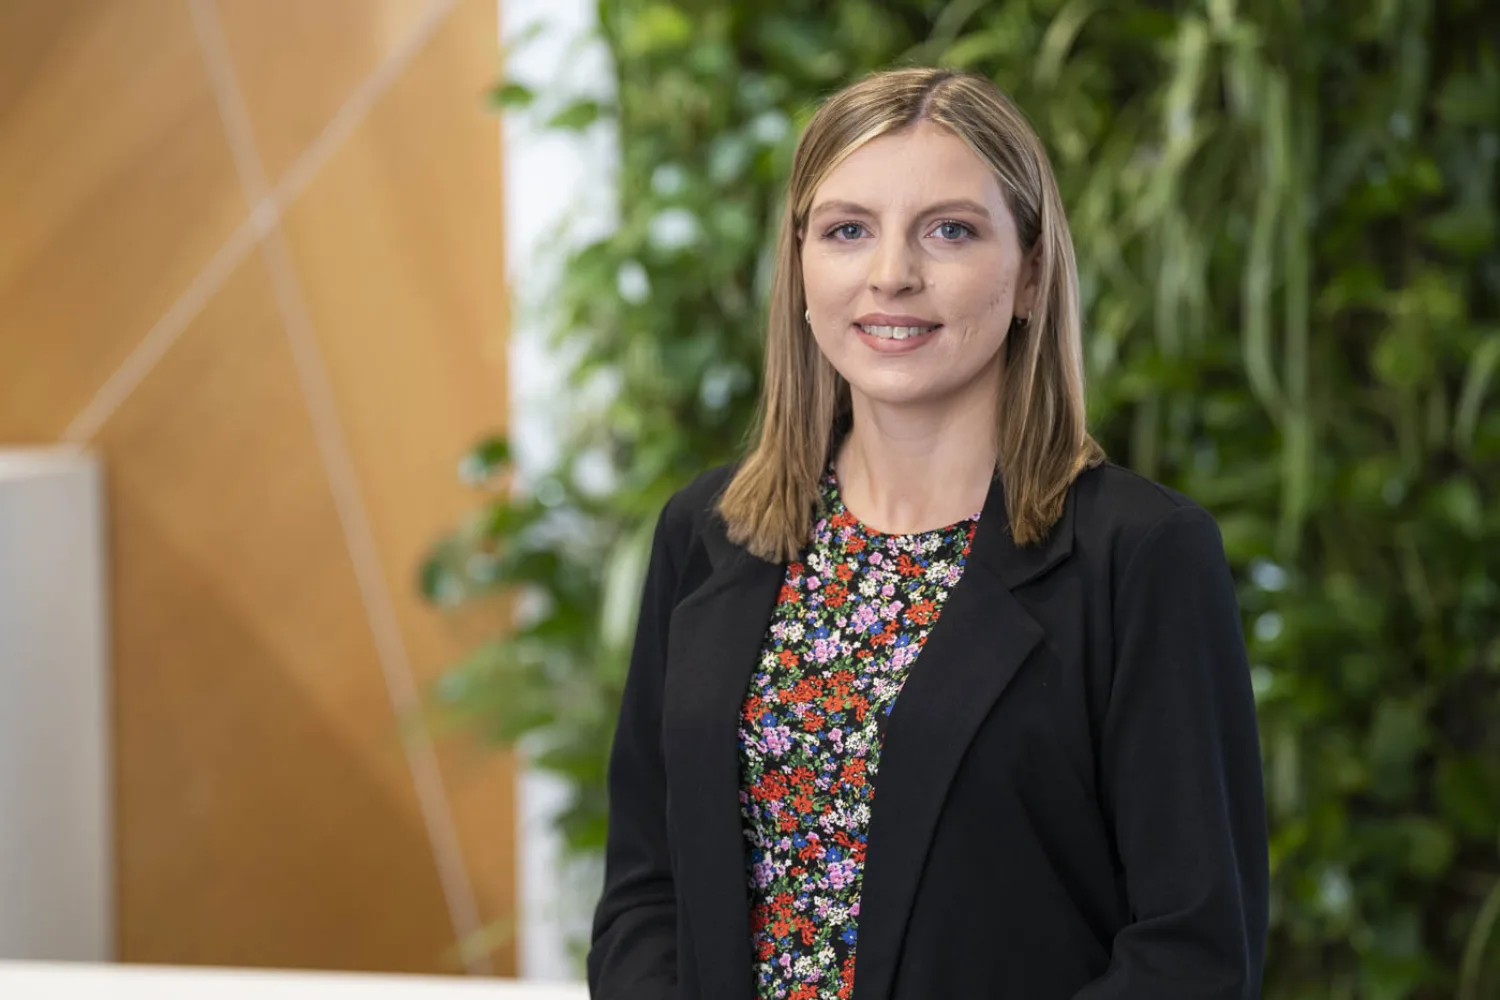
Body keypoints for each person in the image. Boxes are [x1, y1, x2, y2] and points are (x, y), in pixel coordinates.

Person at [586, 67, 1268, 1000]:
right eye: (847, 230)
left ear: (1031, 272)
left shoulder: (1141, 557)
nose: (891, 273)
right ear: (799, 271)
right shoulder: (708, 534)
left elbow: (1193, 953)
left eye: (949, 230)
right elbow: (643, 896)